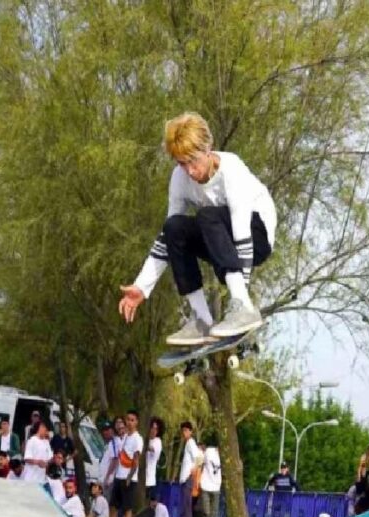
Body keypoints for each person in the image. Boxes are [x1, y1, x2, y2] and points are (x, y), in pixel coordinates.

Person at [118, 112, 277, 344]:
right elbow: (168, 239)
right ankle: (201, 319)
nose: (190, 171)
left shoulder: (231, 170)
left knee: (207, 216)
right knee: (174, 227)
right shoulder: (180, 179)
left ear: (208, 149)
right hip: (220, 239)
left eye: (193, 161)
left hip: (256, 236)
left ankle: (241, 305)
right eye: (182, 163)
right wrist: (142, 286)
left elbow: (242, 235)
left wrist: (242, 298)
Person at [113, 411, 143, 517]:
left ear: (136, 422)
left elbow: (136, 460)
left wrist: (129, 477)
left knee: (127, 509)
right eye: (128, 419)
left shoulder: (137, 439)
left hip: (128, 478)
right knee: (113, 506)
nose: (129, 422)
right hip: (119, 476)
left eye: (132, 420)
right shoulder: (125, 436)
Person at [177, 421, 202, 517]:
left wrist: (193, 469)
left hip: (188, 478)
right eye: (183, 431)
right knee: (185, 504)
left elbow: (199, 458)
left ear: (191, 432)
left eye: (186, 430)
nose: (184, 433)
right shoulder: (187, 443)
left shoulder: (191, 443)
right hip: (184, 478)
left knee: (187, 505)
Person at [196, 442, 222, 517]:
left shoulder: (225, 458)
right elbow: (199, 460)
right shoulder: (209, 451)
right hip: (206, 485)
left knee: (214, 514)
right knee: (206, 511)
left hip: (216, 487)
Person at [144, 417, 164, 500]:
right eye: (152, 428)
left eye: (156, 429)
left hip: (149, 480)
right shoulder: (146, 439)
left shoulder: (157, 441)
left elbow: (151, 449)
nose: (153, 430)